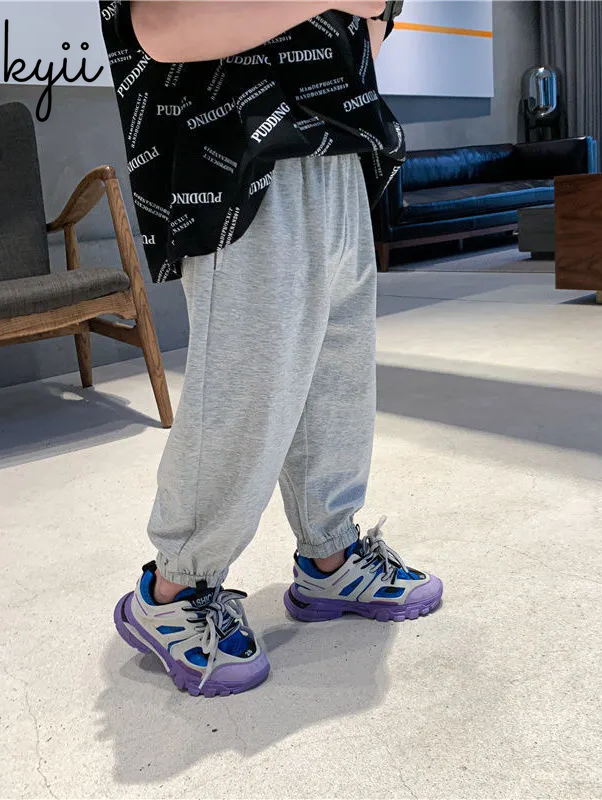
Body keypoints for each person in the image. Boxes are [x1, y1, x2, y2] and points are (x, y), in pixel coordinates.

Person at [101, 0, 443, 698]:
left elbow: (362, 41)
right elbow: (161, 26)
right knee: (249, 383)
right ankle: (173, 589)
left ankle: (331, 555)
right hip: (234, 149)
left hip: (340, 141)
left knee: (336, 374)